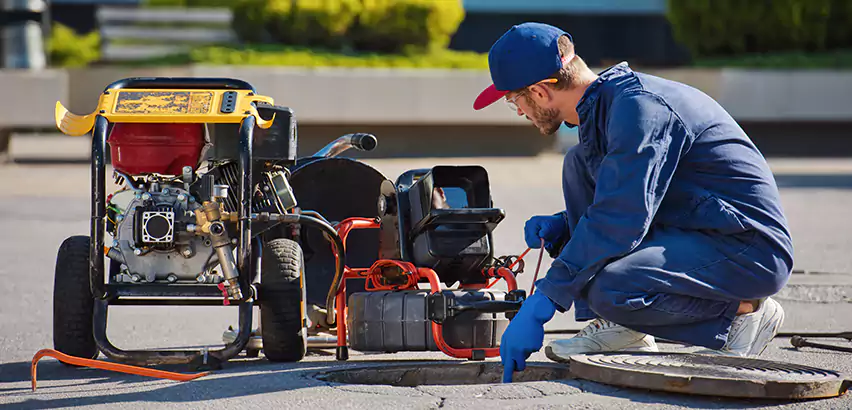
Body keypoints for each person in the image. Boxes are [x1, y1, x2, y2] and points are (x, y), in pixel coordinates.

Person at [471, 23, 794, 383]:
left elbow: (618, 219)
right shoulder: (608, 110)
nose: (517, 111)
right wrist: (566, 223)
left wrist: (544, 301)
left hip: (748, 249)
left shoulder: (640, 109)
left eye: (513, 99)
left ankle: (741, 315)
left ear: (540, 91)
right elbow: (633, 195)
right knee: (578, 164)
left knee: (612, 287)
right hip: (702, 230)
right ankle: (626, 331)